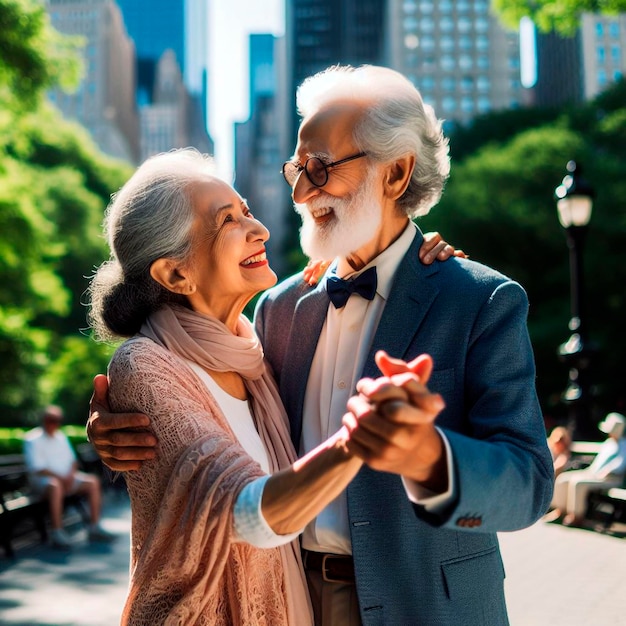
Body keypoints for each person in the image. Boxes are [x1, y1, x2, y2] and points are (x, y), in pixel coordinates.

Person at [88, 65, 553, 625]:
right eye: (297, 168)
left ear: (397, 173)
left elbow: (528, 485)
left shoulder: (478, 299)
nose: (301, 192)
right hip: (297, 600)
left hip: (429, 607)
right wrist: (120, 425)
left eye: (321, 169)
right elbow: (215, 423)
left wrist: (429, 456)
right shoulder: (279, 309)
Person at [85, 147, 447, 625]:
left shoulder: (256, 347)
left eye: (248, 211)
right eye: (228, 221)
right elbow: (247, 513)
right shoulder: (145, 365)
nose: (260, 230)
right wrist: (362, 435)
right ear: (176, 273)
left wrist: (414, 258)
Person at [22, 405, 114, 549]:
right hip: (44, 482)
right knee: (55, 485)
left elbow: (73, 461)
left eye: (57, 420)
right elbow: (37, 468)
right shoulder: (32, 439)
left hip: (67, 479)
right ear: (45, 420)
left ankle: (94, 526)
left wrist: (70, 476)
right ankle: (57, 532)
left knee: (92, 482)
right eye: (52, 420)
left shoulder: (61, 437)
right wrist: (61, 478)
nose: (55, 423)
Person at [546, 412, 626, 527]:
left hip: (611, 478)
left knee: (578, 483)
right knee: (563, 479)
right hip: (594, 474)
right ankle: (560, 510)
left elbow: (620, 464)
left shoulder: (623, 445)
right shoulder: (609, 443)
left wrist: (608, 470)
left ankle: (577, 516)